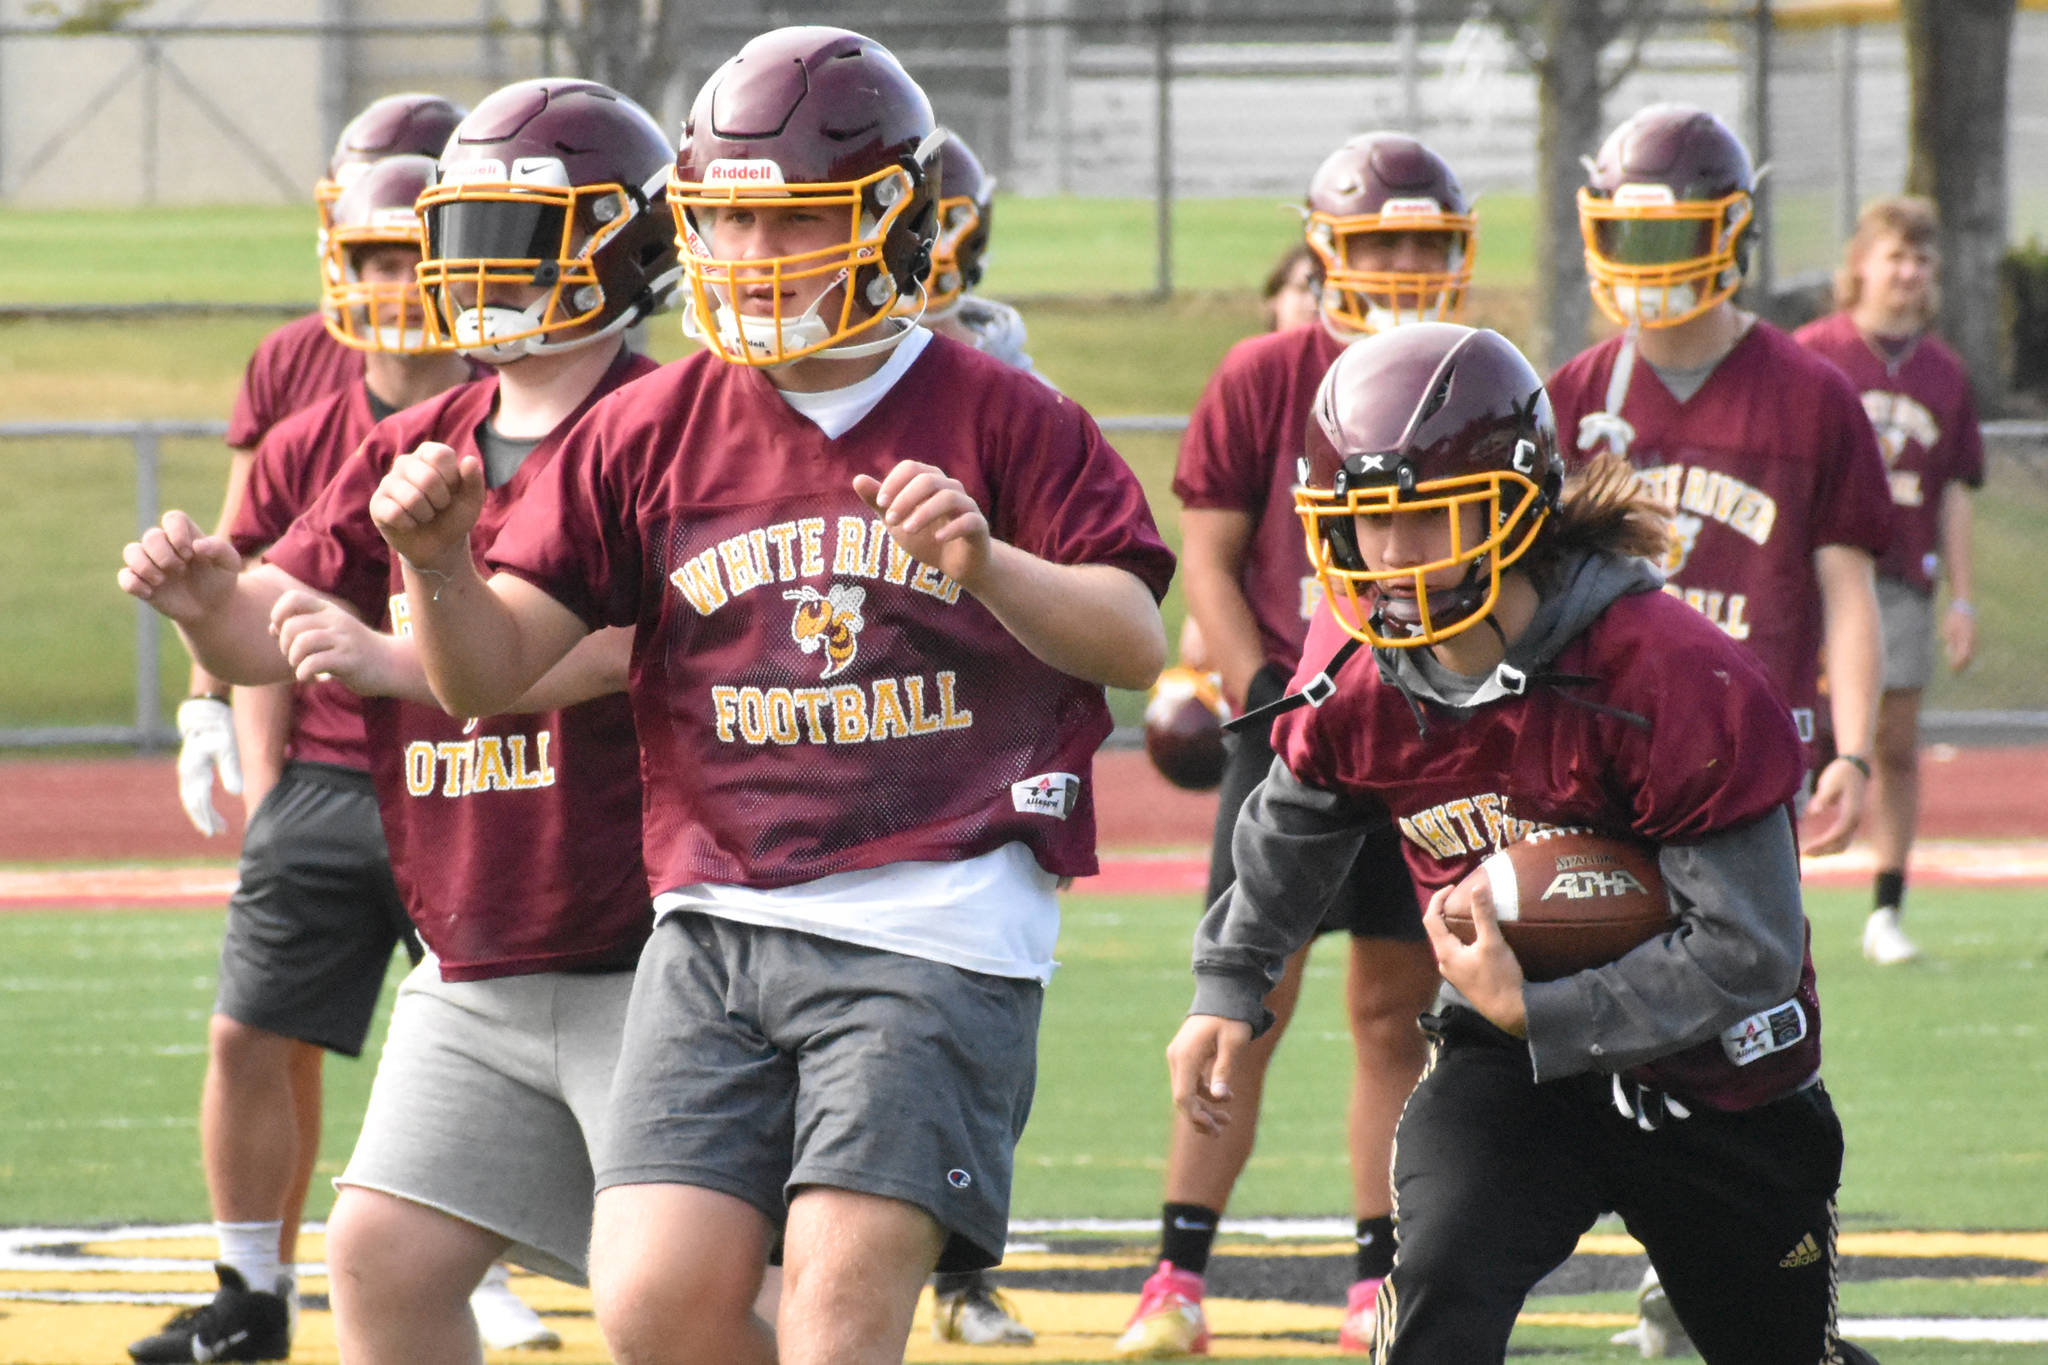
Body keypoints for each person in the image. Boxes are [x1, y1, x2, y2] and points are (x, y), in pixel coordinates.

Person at [363, 28, 1174, 1365]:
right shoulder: (648, 424)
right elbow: (488, 675)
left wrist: (988, 564)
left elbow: (1136, 638)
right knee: (655, 1303)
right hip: (711, 923)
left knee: (836, 1309)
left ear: (888, 223)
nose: (745, 256)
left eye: (785, 223)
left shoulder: (1003, 415)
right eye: (724, 220)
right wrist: (440, 562)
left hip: (937, 916)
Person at [1167, 321, 1879, 1365]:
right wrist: (1227, 987)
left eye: (1429, 519)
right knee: (1435, 1297)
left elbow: (1749, 949)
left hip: (1717, 1074)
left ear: (1514, 504)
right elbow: (1290, 820)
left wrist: (1542, 1005)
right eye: (1365, 526)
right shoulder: (1361, 669)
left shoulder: (1670, 674)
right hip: (1507, 1069)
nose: (1394, 560)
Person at [117, 77, 681, 1365]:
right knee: (383, 1260)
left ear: (613, 248)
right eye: (463, 230)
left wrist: (393, 657)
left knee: (682, 1302)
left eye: (512, 234)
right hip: (473, 942)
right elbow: (282, 613)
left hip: (644, 945)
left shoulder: (671, 425)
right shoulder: (427, 432)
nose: (474, 265)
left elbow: (621, 654)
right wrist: (210, 607)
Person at [1547, 101, 1893, 1358]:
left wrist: (1850, 748)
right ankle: (1665, 1257)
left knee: (1753, 1022)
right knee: (1607, 1017)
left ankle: (1746, 1271)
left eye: (1670, 240)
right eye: (1622, 243)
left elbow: (1846, 584)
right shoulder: (1569, 396)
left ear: (1729, 233)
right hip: (1595, 775)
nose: (1642, 273)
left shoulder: (1809, 391)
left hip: (1746, 773)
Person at [1117, 131, 1472, 1359]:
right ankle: (1175, 1275)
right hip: (1295, 730)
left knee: (1394, 1013)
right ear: (1325, 245)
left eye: (1425, 242)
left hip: (1428, 731)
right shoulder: (1265, 371)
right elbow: (1207, 559)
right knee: (1241, 1001)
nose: (1403, 263)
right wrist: (1268, 694)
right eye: (1379, 240)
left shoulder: (1469, 373)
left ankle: (1376, 1277)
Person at [176, 92, 468, 845]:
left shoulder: (497, 379)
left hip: (474, 741)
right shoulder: (294, 362)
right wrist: (210, 699)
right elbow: (250, 559)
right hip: (324, 741)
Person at [1794, 196, 1984, 967]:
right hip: (1805, 581)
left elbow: (1958, 491)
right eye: (1895, 256)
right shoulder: (1814, 353)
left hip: (1899, 577)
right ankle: (1770, 894)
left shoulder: (1945, 375)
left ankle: (1885, 909)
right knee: (1790, 736)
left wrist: (1963, 595)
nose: (1908, 273)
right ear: (1861, 265)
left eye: (1921, 261)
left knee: (1894, 744)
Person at [1262, 244, 1324, 334]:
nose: (1314, 304)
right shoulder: (1252, 348)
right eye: (1302, 289)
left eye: (1324, 292)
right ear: (1275, 298)